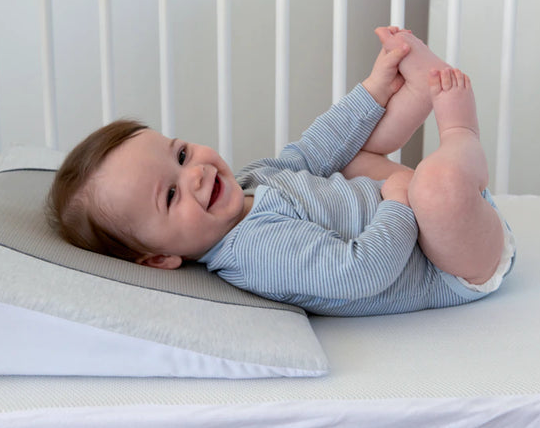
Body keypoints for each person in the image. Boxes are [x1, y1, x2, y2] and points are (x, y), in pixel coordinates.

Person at [47, 27, 515, 317]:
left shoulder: (250, 182)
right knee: (434, 189)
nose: (195, 175)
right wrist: (398, 201)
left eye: (182, 155)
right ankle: (460, 130)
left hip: (424, 218)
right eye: (170, 196)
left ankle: (416, 90)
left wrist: (374, 90)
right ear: (158, 259)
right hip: (453, 263)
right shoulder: (257, 251)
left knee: (344, 156)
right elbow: (360, 273)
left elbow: (315, 149)